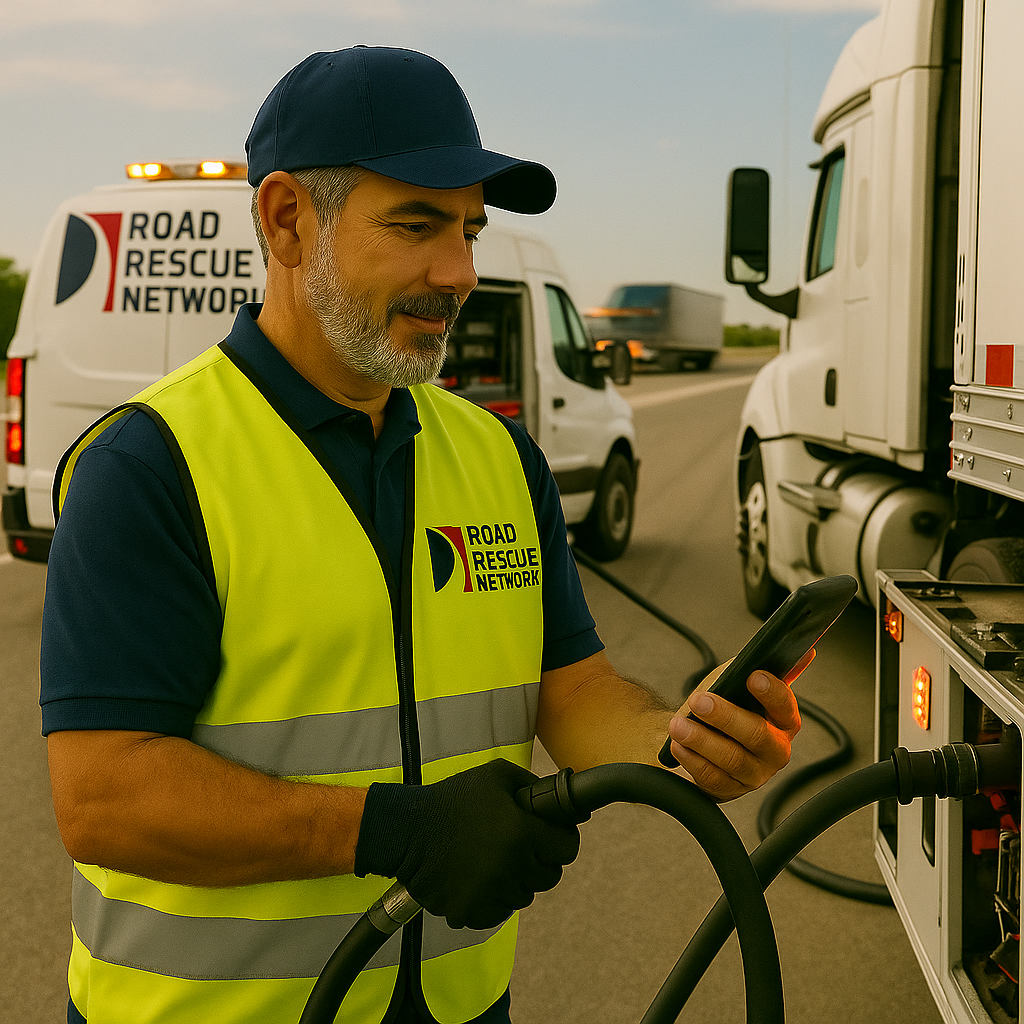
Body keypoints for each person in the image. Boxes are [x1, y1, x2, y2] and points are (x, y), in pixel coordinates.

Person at [40, 47, 801, 1024]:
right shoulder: (152, 465)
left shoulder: (496, 456)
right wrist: (388, 828)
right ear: (286, 220)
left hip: (456, 1006)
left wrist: (681, 742)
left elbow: (569, 693)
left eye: (469, 229)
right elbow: (104, 796)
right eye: (415, 225)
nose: (460, 272)